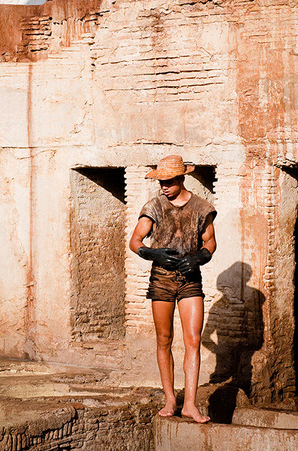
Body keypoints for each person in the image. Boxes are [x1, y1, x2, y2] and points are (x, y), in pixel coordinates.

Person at [129, 155, 216, 423]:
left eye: (168, 182)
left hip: (190, 279)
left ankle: (190, 403)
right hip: (162, 279)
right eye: (161, 182)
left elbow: (210, 242)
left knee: (192, 340)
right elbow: (134, 240)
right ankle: (170, 399)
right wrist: (150, 253)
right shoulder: (153, 206)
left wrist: (200, 257)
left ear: (181, 179)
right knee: (164, 339)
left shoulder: (201, 207)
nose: (164, 187)